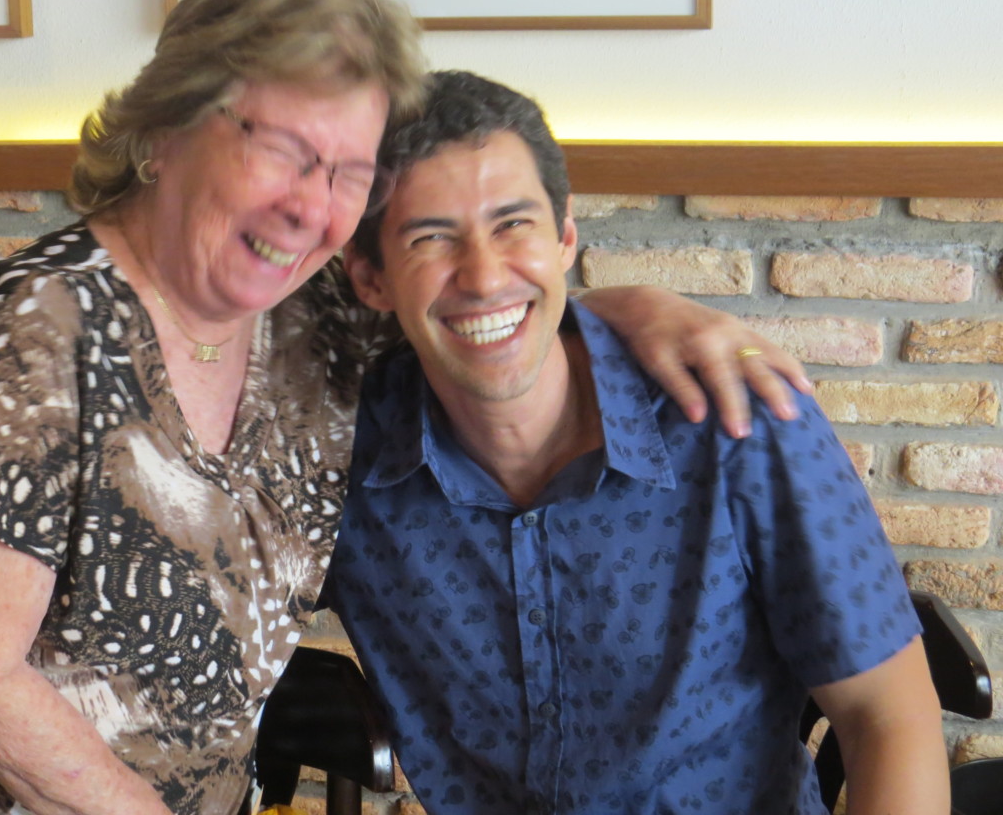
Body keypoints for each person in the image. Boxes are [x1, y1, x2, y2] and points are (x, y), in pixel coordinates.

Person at [0, 0, 807, 815]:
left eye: (350, 172)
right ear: (167, 125)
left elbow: (475, 302)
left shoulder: (313, 318)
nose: (312, 207)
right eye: (281, 150)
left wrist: (632, 308)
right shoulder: (35, 324)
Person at [328, 70, 948, 815]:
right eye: (431, 237)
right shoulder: (334, 458)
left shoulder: (736, 419)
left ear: (564, 237)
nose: (485, 277)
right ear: (370, 277)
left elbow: (889, 715)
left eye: (513, 224)